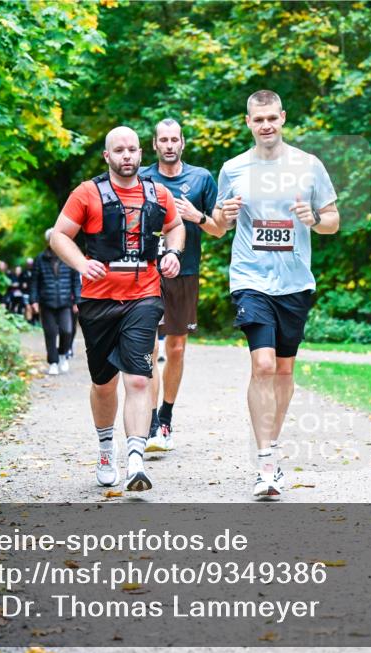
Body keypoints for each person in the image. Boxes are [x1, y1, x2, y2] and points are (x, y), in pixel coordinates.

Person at [213, 90, 339, 498]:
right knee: (263, 365)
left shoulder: (308, 165)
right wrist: (223, 215)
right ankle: (266, 462)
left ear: (282, 117)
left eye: (272, 118)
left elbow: (333, 220)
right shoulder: (233, 169)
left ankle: (271, 444)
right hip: (250, 278)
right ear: (248, 122)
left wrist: (313, 218)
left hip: (295, 282)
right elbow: (218, 223)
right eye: (258, 119)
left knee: (284, 370)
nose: (266, 125)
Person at [49, 126, 185, 492]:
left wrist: (173, 252)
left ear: (141, 153)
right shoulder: (87, 193)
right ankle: (106, 449)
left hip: (144, 296)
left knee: (139, 377)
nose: (127, 156)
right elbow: (59, 235)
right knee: (104, 384)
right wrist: (81, 263)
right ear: (107, 156)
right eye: (119, 150)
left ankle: (136, 459)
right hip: (98, 301)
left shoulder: (158, 193)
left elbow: (175, 226)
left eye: (132, 150)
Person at [139, 118, 223, 453]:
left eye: (175, 139)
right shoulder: (142, 177)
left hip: (185, 272)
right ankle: (150, 424)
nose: (170, 145)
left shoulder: (201, 178)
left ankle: (166, 416)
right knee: (149, 349)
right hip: (147, 272)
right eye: (164, 140)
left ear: (183, 143)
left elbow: (219, 229)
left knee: (175, 349)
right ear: (155, 144)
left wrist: (196, 216)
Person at [30, 229, 81, 376]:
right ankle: (53, 362)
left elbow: (76, 281)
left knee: (67, 331)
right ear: (49, 241)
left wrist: (77, 301)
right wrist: (33, 301)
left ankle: (63, 354)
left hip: (65, 302)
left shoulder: (68, 258)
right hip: (46, 302)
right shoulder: (40, 259)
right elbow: (34, 282)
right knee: (50, 333)